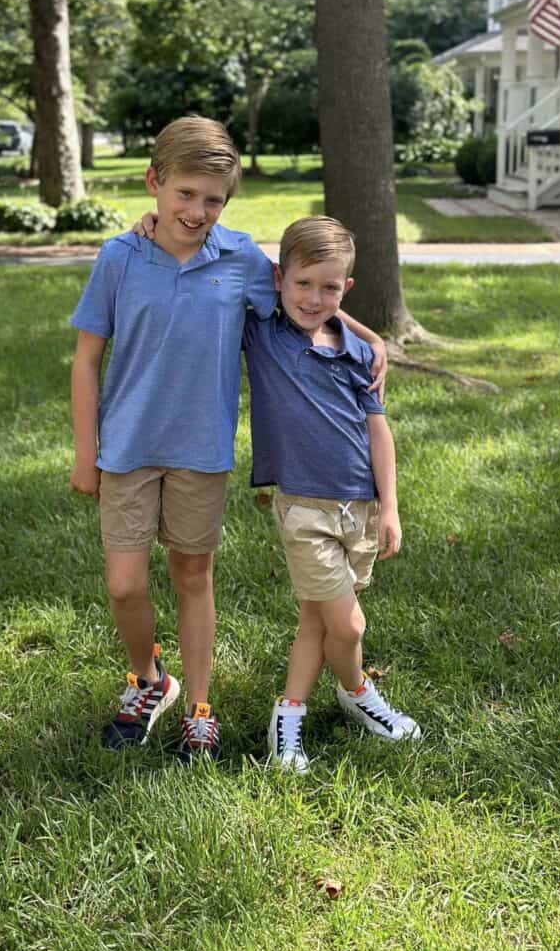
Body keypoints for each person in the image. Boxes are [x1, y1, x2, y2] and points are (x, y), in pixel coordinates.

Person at [69, 117, 387, 762]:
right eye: (185, 193)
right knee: (125, 586)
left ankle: (200, 710)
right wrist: (85, 451)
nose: (197, 210)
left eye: (213, 199)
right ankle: (150, 682)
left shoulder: (239, 257)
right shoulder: (118, 258)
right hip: (126, 448)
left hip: (201, 452)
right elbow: (85, 361)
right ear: (153, 183)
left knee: (193, 574)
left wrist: (370, 335)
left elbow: (303, 290)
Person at [242, 216, 421, 773]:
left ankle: (289, 712)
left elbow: (378, 432)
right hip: (304, 509)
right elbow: (227, 256)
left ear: (346, 289)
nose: (313, 297)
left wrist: (389, 506)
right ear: (279, 279)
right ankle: (357, 690)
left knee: (317, 622)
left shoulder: (359, 355)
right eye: (302, 283)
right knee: (348, 626)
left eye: (328, 287)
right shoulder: (264, 338)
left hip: (360, 509)